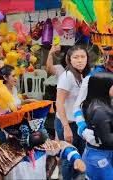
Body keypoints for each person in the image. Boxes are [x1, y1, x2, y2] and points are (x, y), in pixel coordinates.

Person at [0, 103, 86, 179]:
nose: (37, 132)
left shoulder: (42, 145)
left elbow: (62, 147)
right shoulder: (4, 153)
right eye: (33, 129)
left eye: (39, 128)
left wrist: (76, 158)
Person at [55, 45, 90, 180]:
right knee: (69, 158)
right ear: (69, 59)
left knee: (79, 157)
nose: (80, 60)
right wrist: (66, 127)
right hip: (67, 123)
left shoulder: (83, 74)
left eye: (83, 57)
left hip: (79, 123)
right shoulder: (67, 76)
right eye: (76, 57)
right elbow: (59, 103)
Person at [73, 47, 113, 145]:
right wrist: (82, 128)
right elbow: (77, 106)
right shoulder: (92, 77)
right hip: (98, 144)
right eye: (111, 57)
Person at [80, 72, 113, 180]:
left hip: (100, 153)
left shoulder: (101, 102)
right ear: (104, 87)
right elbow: (107, 139)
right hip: (99, 156)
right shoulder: (99, 110)